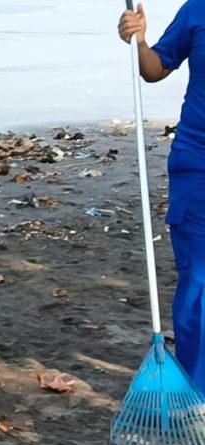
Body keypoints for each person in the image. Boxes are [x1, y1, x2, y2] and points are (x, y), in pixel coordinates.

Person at [119, 2, 205, 389]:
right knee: (199, 281)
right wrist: (139, 40)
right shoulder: (197, 10)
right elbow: (154, 69)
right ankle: (198, 393)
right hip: (198, 162)